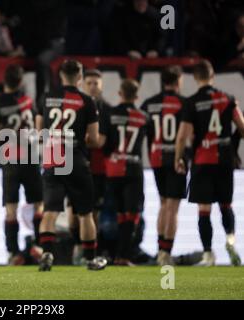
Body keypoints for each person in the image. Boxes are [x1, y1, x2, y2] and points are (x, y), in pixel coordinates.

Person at [36, 59, 107, 272]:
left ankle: (47, 253)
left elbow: (40, 134)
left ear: (60, 76)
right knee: (85, 213)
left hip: (52, 157)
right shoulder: (87, 101)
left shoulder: (46, 98)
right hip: (76, 159)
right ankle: (90, 259)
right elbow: (94, 140)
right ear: (79, 77)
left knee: (50, 211)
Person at [175, 59, 244, 266]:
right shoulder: (228, 99)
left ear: (196, 78)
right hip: (224, 159)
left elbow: (182, 136)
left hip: (202, 160)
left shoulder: (192, 102)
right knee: (225, 204)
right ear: (212, 76)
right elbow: (242, 127)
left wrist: (179, 157)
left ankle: (208, 254)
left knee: (204, 209)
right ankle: (231, 240)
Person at [0, 64, 43, 265]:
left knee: (11, 207)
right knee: (38, 204)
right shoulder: (28, 101)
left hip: (10, 159)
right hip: (31, 157)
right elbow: (37, 125)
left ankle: (13, 252)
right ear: (21, 81)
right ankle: (39, 245)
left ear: (5, 81)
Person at [96, 79, 147, 266]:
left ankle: (108, 254)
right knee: (131, 214)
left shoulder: (109, 114)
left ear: (120, 93)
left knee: (116, 213)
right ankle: (123, 255)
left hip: (113, 169)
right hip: (133, 169)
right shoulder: (143, 117)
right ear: (136, 96)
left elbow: (100, 142)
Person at [140, 65, 186, 266]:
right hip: (178, 159)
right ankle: (166, 253)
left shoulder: (149, 104)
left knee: (163, 204)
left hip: (156, 158)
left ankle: (160, 250)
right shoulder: (185, 104)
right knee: (173, 208)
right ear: (178, 81)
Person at [70, 69, 111, 264]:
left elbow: (100, 141)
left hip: (97, 169)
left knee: (92, 212)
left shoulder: (105, 109)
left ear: (101, 85)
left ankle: (89, 252)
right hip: (74, 165)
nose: (93, 86)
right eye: (90, 83)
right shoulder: (77, 105)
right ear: (82, 84)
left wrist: (77, 139)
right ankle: (78, 247)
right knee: (72, 213)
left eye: (96, 83)